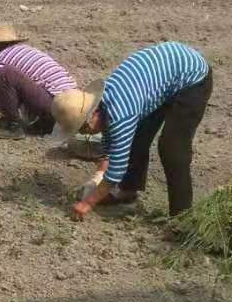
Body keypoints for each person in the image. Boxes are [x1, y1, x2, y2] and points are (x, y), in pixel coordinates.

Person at [51, 41, 212, 221]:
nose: (87, 133)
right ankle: (128, 189)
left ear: (93, 113)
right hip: (164, 77)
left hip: (192, 79)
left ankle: (182, 218)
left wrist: (88, 202)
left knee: (172, 150)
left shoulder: (120, 114)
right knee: (138, 135)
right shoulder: (104, 103)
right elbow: (108, 142)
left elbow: (116, 169)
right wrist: (98, 177)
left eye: (84, 127)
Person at [0, 24, 77, 134]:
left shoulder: (2, 57)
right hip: (71, 104)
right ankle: (45, 124)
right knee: (9, 83)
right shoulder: (26, 51)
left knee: (6, 73)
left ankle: (14, 127)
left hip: (56, 105)